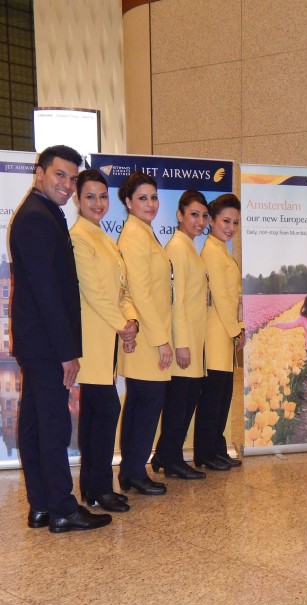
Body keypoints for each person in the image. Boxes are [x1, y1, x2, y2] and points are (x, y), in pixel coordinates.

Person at [9, 145, 111, 532]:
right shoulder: (37, 218)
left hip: (38, 342)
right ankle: (64, 509)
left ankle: (41, 505)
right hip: (47, 344)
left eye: (72, 177)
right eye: (60, 175)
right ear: (40, 173)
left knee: (37, 422)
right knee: (52, 425)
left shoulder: (41, 212)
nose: (68, 185)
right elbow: (47, 293)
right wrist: (67, 352)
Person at [70, 169, 139, 513]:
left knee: (97, 415)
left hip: (108, 337)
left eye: (102, 196)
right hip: (92, 340)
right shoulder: (79, 237)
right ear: (77, 199)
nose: (98, 203)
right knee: (104, 410)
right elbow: (93, 293)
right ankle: (97, 488)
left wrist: (130, 320)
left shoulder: (105, 238)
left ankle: (93, 488)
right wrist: (121, 326)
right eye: (90, 197)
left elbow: (121, 289)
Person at [117, 172, 173, 495]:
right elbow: (140, 292)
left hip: (148, 336)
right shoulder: (135, 236)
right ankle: (135, 471)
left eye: (153, 197)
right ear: (128, 202)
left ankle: (130, 470)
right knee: (147, 404)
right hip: (148, 339)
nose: (150, 203)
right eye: (142, 198)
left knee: (139, 404)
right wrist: (161, 339)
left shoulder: (143, 232)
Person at [152, 190, 209, 479]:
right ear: (180, 215)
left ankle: (165, 453)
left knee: (186, 399)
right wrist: (183, 344)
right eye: (194, 215)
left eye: (203, 216)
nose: (200, 221)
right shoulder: (177, 247)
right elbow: (177, 300)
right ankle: (172, 459)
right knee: (179, 402)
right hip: (183, 342)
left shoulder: (189, 246)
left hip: (195, 339)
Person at [193, 194, 245, 471]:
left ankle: (216, 447)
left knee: (223, 396)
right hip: (215, 333)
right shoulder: (212, 252)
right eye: (225, 221)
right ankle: (205, 452)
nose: (230, 227)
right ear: (210, 221)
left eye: (235, 222)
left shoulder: (223, 251)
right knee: (213, 397)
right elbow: (223, 298)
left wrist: (238, 328)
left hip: (226, 333)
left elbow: (234, 296)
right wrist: (237, 329)